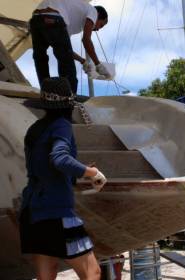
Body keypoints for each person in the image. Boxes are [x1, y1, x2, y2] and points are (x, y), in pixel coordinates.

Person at [20, 77, 107, 279]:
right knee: (92, 272)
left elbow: (45, 167)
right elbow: (59, 159)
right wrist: (93, 173)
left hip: (32, 212)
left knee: (46, 274)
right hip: (56, 213)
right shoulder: (61, 125)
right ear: (68, 104)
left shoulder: (35, 128)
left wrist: (81, 170)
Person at [29, 0, 110, 93]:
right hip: (53, 16)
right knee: (68, 67)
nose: (98, 29)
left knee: (40, 57)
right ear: (98, 16)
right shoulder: (93, 11)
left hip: (35, 19)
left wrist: (83, 62)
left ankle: (45, 92)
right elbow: (86, 40)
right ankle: (68, 97)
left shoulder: (70, 19)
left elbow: (66, 49)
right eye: (101, 25)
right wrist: (98, 65)